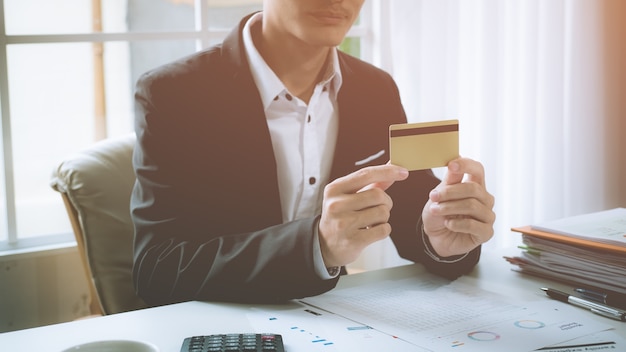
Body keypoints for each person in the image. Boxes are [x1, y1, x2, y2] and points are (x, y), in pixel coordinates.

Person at [131, 0, 496, 306]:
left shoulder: (375, 89)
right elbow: (157, 270)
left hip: (336, 321)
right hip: (221, 327)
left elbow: (411, 209)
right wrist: (316, 247)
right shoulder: (174, 94)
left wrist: (443, 237)